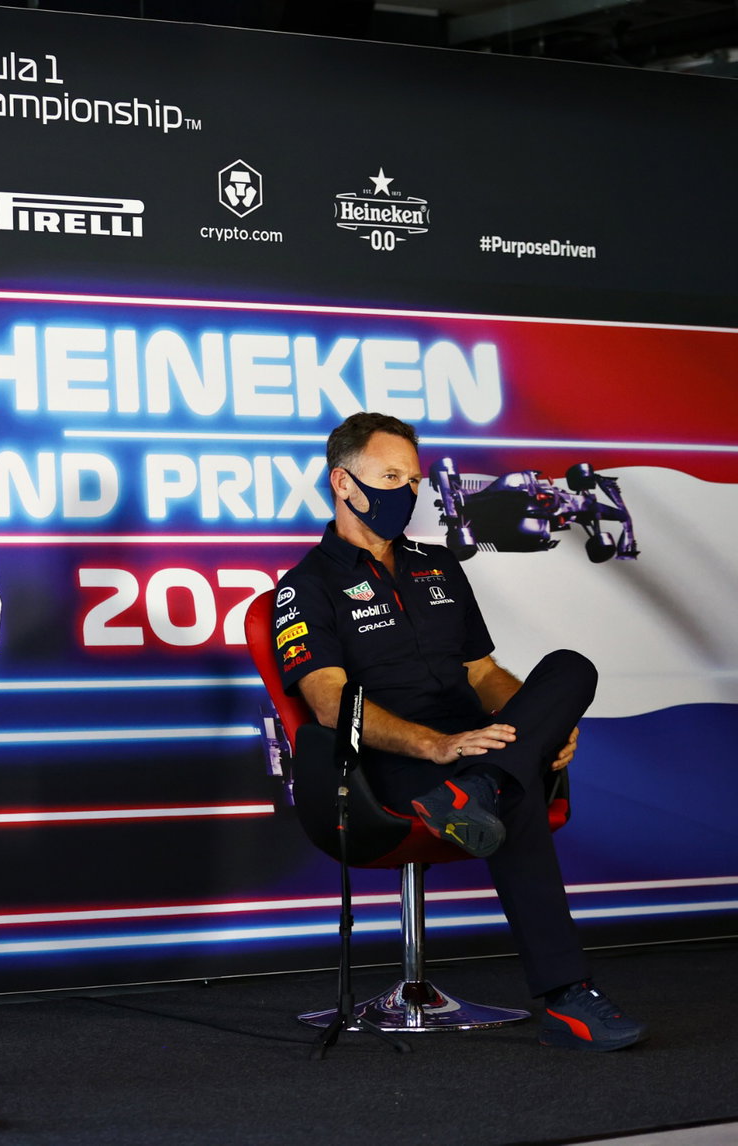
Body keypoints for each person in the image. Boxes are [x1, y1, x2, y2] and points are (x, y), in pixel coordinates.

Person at [274, 411, 646, 1052]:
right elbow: (332, 705)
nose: (406, 491)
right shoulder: (306, 586)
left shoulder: (439, 564)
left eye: (413, 479)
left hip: (476, 747)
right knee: (515, 789)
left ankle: (481, 787)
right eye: (390, 477)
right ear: (342, 481)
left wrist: (543, 725)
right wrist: (435, 745)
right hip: (391, 765)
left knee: (570, 669)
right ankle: (568, 999)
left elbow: (483, 674)